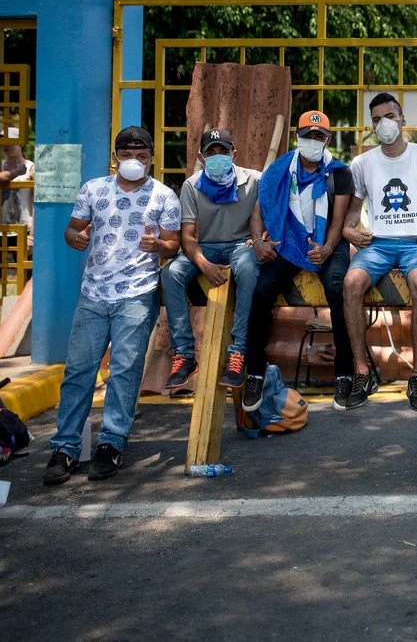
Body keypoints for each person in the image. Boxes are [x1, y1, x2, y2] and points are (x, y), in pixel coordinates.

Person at [43, 126, 181, 485]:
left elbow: (173, 244)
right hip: (93, 293)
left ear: (152, 157)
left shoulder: (165, 196)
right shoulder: (93, 189)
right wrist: (77, 238)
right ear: (115, 156)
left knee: (124, 371)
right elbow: (72, 231)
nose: (133, 160)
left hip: (137, 293)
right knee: (78, 372)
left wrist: (159, 247)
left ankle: (111, 443)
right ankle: (65, 448)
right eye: (126, 154)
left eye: (141, 154)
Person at [242, 110, 356, 413]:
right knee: (262, 292)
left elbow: (338, 221)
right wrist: (257, 242)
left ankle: (345, 374)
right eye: (308, 135)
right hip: (288, 241)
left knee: (336, 289)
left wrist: (328, 248)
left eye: (319, 136)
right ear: (297, 137)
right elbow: (258, 210)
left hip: (327, 244)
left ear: (327, 139)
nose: (313, 141)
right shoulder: (279, 170)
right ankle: (254, 372)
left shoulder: (340, 173)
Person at [342, 92, 417, 412]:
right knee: (351, 283)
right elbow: (352, 214)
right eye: (377, 119)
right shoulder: (362, 163)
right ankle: (361, 372)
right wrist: (350, 230)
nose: (384, 124)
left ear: (402, 120)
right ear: (371, 126)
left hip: (415, 241)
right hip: (378, 243)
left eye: (390, 117)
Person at [161, 128, 261, 390]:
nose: (218, 156)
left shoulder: (254, 181)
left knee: (249, 269)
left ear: (234, 154)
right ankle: (183, 354)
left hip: (241, 244)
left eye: (223, 151)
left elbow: (265, 219)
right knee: (170, 274)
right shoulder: (191, 186)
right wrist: (204, 265)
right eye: (211, 152)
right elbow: (188, 237)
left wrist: (259, 238)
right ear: (201, 156)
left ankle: (239, 351)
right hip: (203, 247)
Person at [1, 126, 34, 254]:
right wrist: (17, 172)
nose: (6, 145)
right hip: (2, 228)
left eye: (10, 140)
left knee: (25, 272)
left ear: (20, 143)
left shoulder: (31, 167)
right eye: (3, 141)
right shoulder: (1, 165)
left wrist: (32, 235)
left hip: (23, 228)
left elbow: (36, 203)